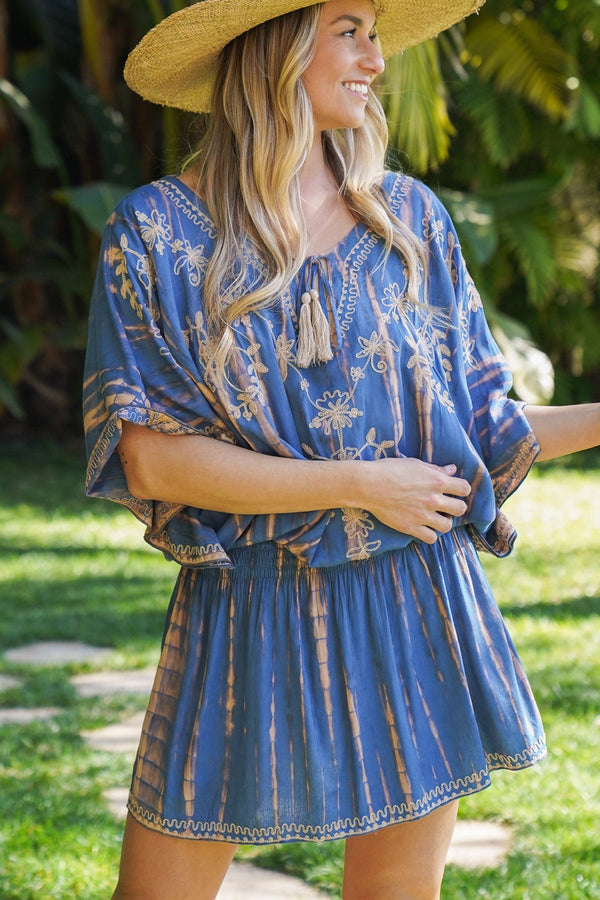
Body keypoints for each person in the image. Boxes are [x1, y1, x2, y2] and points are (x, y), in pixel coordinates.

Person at [82, 0, 600, 897]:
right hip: (249, 604)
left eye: (376, 34)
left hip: (418, 598)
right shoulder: (159, 233)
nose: (375, 59)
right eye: (350, 30)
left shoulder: (409, 219)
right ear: (277, 47)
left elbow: (483, 428)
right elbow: (155, 462)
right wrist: (360, 483)